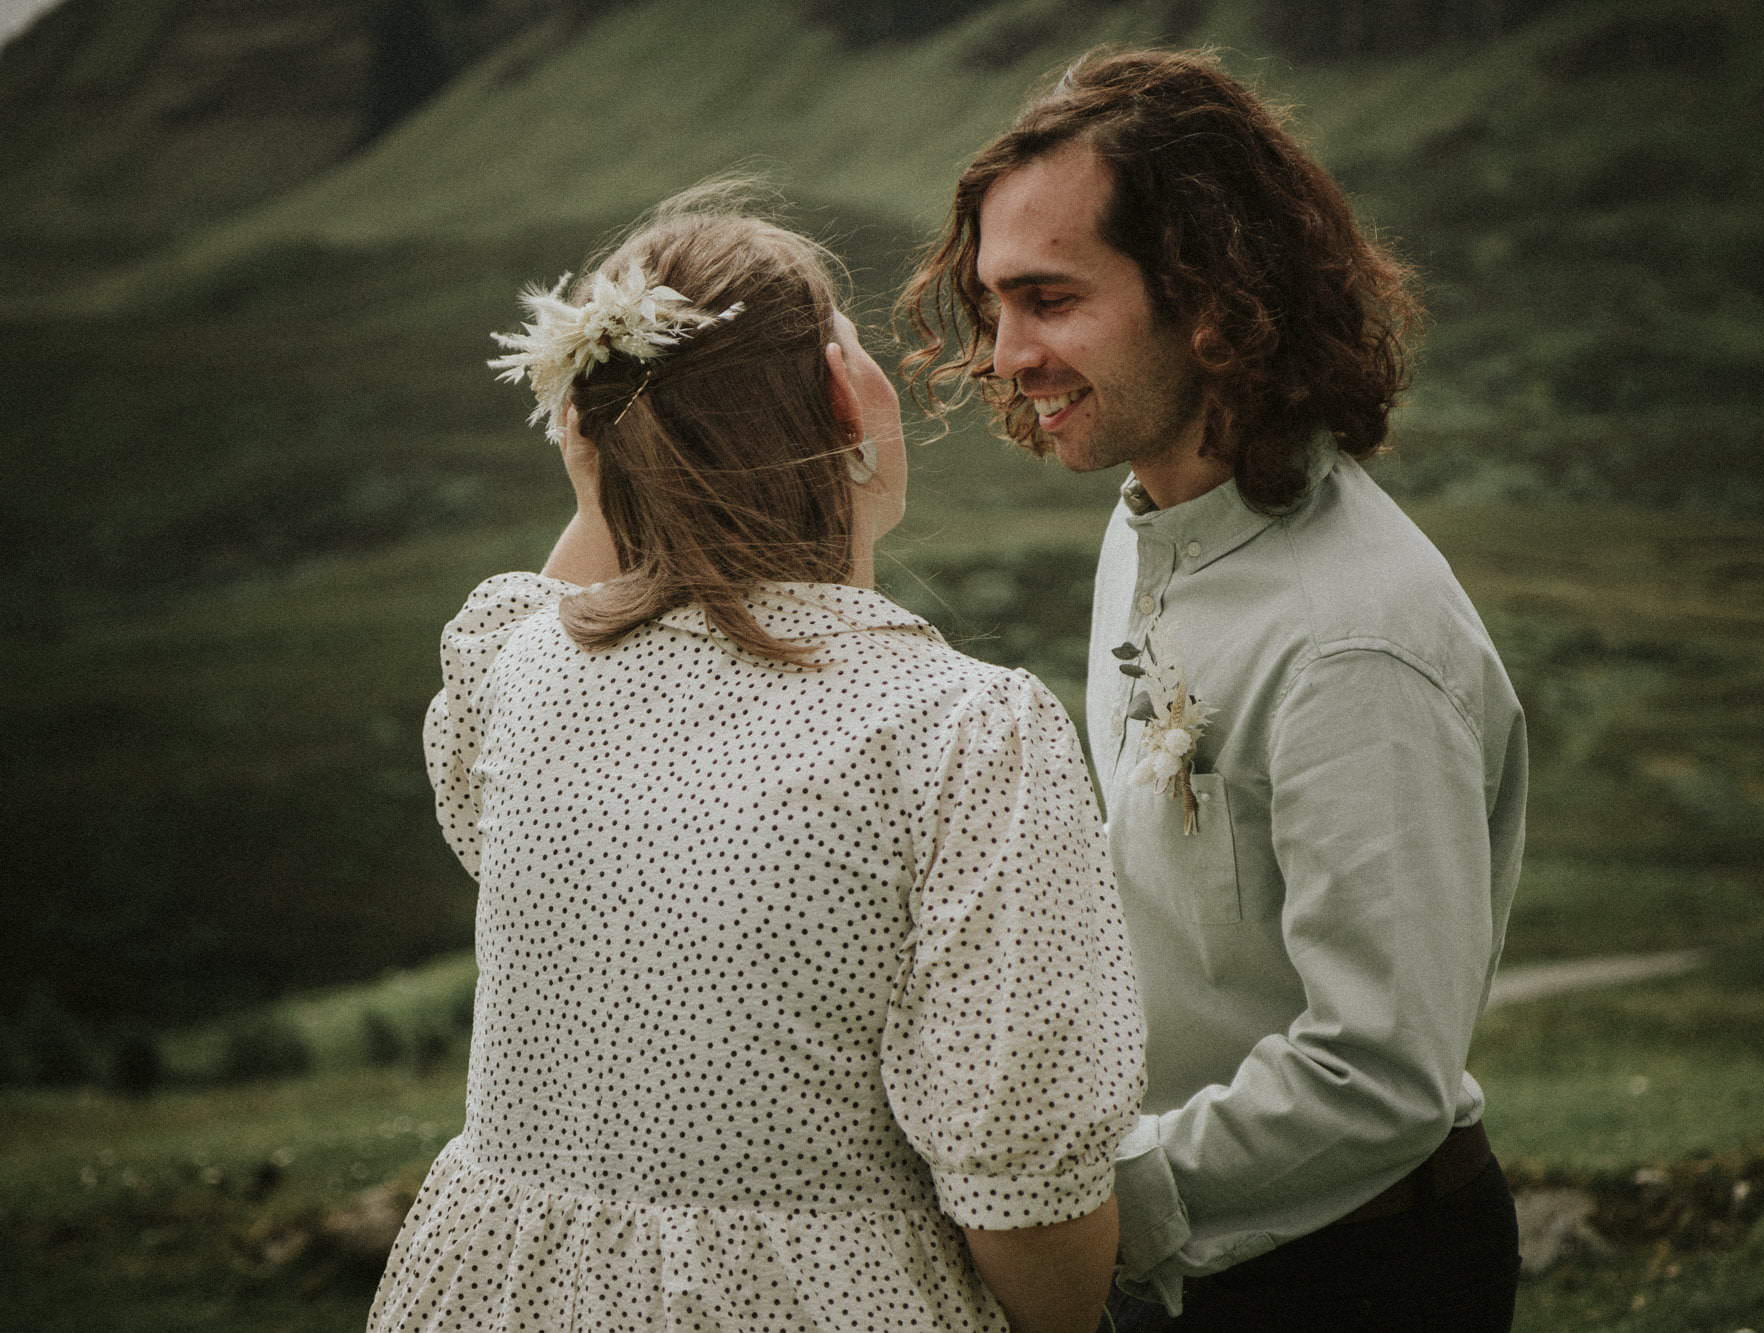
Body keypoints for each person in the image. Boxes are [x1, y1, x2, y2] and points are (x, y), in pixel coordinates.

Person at [368, 182, 1144, 1333]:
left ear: (589, 426)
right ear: (844, 390)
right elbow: (1020, 1186)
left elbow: (574, 597)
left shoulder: (515, 672)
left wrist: (612, 482)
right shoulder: (955, 731)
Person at [902, 50, 1527, 1331]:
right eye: (993, 303)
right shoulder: (1144, 521)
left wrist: (1084, 1211)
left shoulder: (1354, 642)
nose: (1007, 353)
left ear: (1209, 297)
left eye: (1049, 298)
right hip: (1180, 1259)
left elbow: (1382, 1070)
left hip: (1348, 1279)